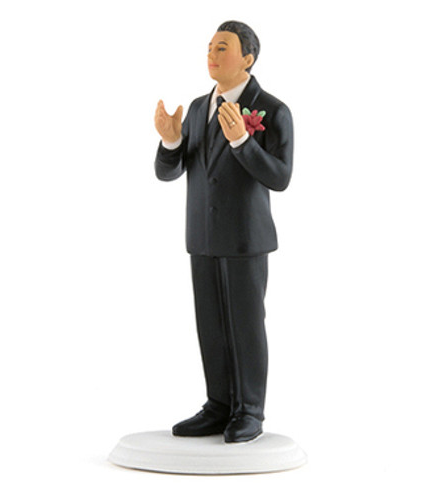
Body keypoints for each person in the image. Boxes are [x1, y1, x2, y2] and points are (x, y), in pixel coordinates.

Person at [154, 20, 294, 443]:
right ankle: (218, 405)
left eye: (222, 48)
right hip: (202, 236)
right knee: (210, 325)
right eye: (210, 48)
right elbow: (168, 172)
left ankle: (249, 409)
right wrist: (171, 142)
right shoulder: (199, 108)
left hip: (245, 238)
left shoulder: (273, 110)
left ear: (247, 58)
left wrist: (241, 143)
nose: (211, 56)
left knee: (245, 326)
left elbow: (280, 177)